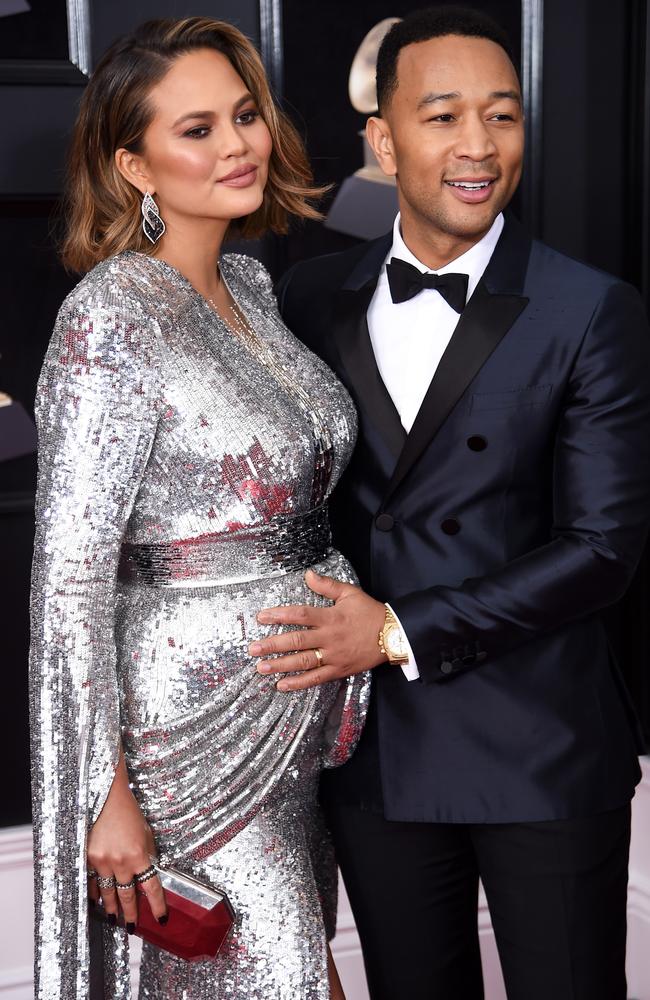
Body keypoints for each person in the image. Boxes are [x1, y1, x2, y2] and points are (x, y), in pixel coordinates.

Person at [249, 7, 650, 999]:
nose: (477, 146)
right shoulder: (308, 299)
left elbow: (601, 547)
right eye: (442, 117)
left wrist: (392, 629)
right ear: (382, 139)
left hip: (541, 752)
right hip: (377, 756)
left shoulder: (588, 307)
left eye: (502, 116)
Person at [29, 16, 369, 1000]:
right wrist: (104, 799)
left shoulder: (253, 289)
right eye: (196, 130)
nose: (236, 145)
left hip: (292, 721)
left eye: (244, 115)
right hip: (186, 742)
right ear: (133, 164)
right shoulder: (112, 316)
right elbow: (69, 587)